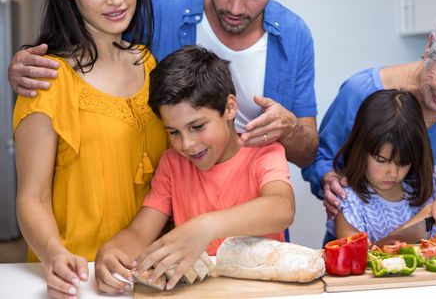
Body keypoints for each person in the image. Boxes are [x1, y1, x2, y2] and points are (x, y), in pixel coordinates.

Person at [7, 0, 319, 168]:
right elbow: (91, 54)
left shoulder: (295, 35)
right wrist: (27, 61)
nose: (236, 7)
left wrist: (289, 127)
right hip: (167, 213)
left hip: (255, 217)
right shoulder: (156, 10)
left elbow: (307, 154)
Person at [12, 0, 167, 298]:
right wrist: (54, 254)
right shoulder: (47, 78)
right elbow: (32, 198)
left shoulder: (148, 63)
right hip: (79, 278)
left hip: (147, 276)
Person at [302, 0, 436, 242]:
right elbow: (319, 158)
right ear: (430, 45)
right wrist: (327, 178)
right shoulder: (360, 92)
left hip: (429, 262)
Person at [94, 45, 295, 294]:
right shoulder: (173, 163)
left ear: (230, 108)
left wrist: (205, 227)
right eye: (173, 132)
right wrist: (111, 252)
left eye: (197, 126)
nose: (187, 144)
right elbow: (139, 233)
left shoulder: (264, 153)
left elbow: (281, 208)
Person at [331, 90, 436, 242]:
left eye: (403, 162)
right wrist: (419, 222)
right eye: (381, 160)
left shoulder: (426, 181)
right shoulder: (349, 203)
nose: (393, 173)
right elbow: (359, 260)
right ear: (360, 150)